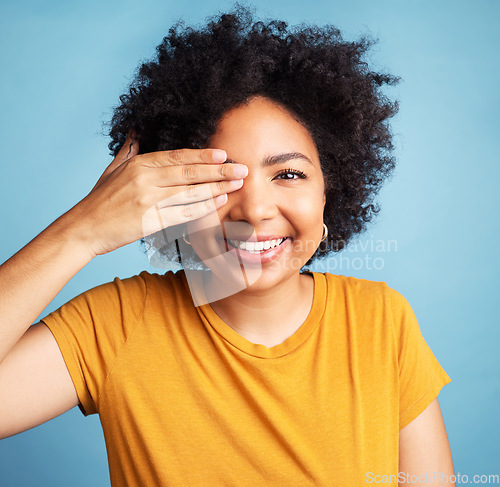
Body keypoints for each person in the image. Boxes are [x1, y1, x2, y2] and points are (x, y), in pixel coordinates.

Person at [0, 5, 455, 486]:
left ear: (331, 190)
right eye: (220, 179)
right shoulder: (118, 325)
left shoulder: (382, 322)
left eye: (289, 174)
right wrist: (82, 230)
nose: (255, 209)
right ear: (172, 197)